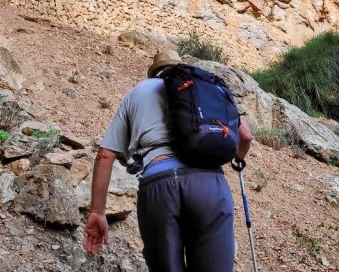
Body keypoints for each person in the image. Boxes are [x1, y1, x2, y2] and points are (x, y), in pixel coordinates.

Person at [82, 49, 253, 271]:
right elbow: (246, 136)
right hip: (209, 184)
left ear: (153, 73)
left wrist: (97, 212)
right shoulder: (203, 86)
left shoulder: (138, 92)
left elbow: (105, 155)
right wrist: (237, 160)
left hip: (159, 185)